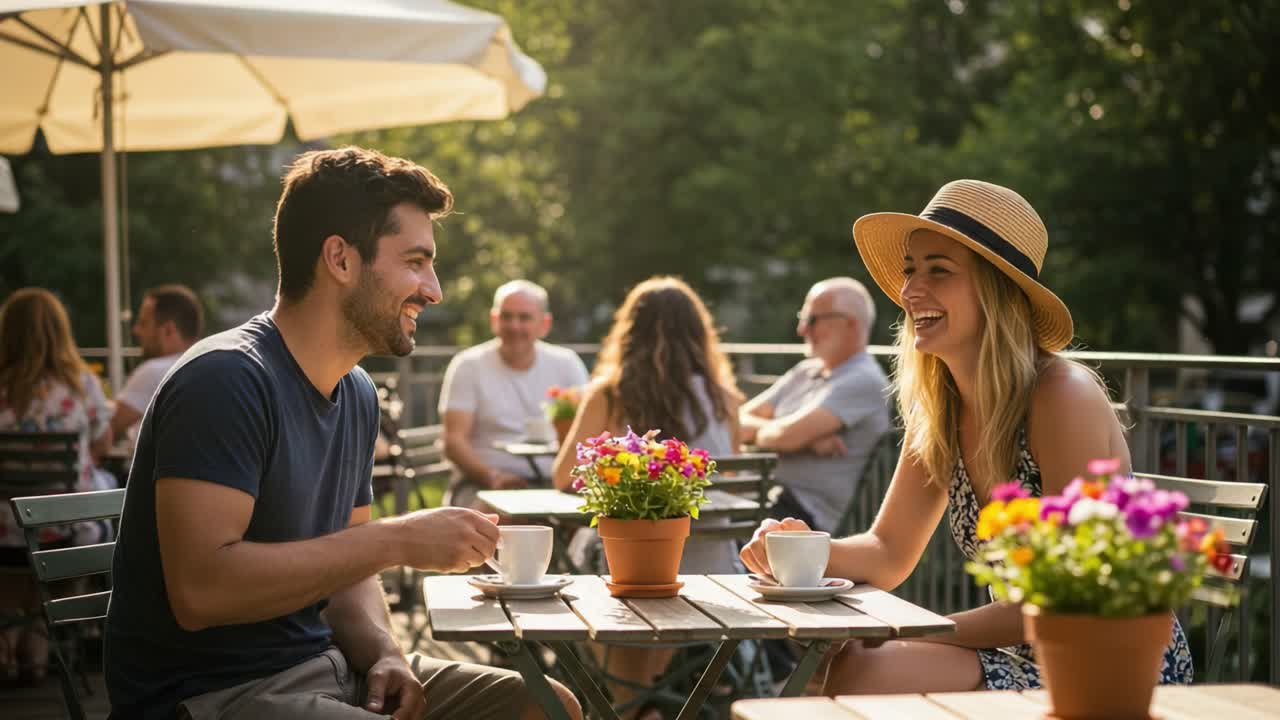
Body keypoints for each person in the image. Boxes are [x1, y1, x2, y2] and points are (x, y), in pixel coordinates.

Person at [104, 147, 581, 720]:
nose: (434, 290)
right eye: (414, 262)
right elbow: (202, 592)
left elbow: (348, 575)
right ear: (340, 259)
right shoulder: (225, 380)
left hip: (332, 672)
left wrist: (386, 653)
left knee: (545, 705)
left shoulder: (356, 393)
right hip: (214, 696)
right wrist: (397, 540)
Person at [740, 179, 1193, 694]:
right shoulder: (941, 409)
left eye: (940, 271)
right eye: (912, 270)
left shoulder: (1061, 396)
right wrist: (800, 549)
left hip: (1106, 660)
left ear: (997, 291)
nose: (911, 290)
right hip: (1022, 651)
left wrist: (920, 631)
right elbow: (887, 550)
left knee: (859, 671)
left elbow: (1070, 595)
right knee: (835, 670)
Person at [551, 276, 744, 720]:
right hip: (716, 575)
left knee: (577, 568)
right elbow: (729, 482)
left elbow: (564, 475)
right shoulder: (725, 400)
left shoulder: (609, 393)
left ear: (627, 333)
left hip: (629, 574)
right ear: (699, 336)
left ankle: (634, 705)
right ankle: (659, 700)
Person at [0, 287, 113, 686]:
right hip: (61, 531)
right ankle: (46, 639)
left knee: (14, 560)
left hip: (5, 531)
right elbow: (102, 444)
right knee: (91, 508)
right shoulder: (82, 385)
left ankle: (10, 639)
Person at [738, 277, 891, 532]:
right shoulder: (806, 370)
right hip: (763, 499)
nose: (801, 329)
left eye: (812, 320)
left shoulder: (864, 380)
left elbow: (786, 436)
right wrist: (806, 439)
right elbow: (737, 421)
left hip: (798, 517)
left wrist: (790, 436)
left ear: (850, 324)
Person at [439, 279, 589, 508]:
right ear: (494, 320)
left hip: (555, 484)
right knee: (503, 518)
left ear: (544, 324)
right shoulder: (467, 365)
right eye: (507, 317)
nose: (514, 326)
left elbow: (587, 432)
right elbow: (454, 441)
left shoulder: (566, 363)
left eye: (524, 318)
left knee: (596, 523)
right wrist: (492, 476)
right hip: (482, 484)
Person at [109, 284, 204, 453]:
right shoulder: (211, 365)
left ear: (169, 330)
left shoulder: (154, 371)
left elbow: (109, 429)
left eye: (144, 323)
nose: (136, 330)